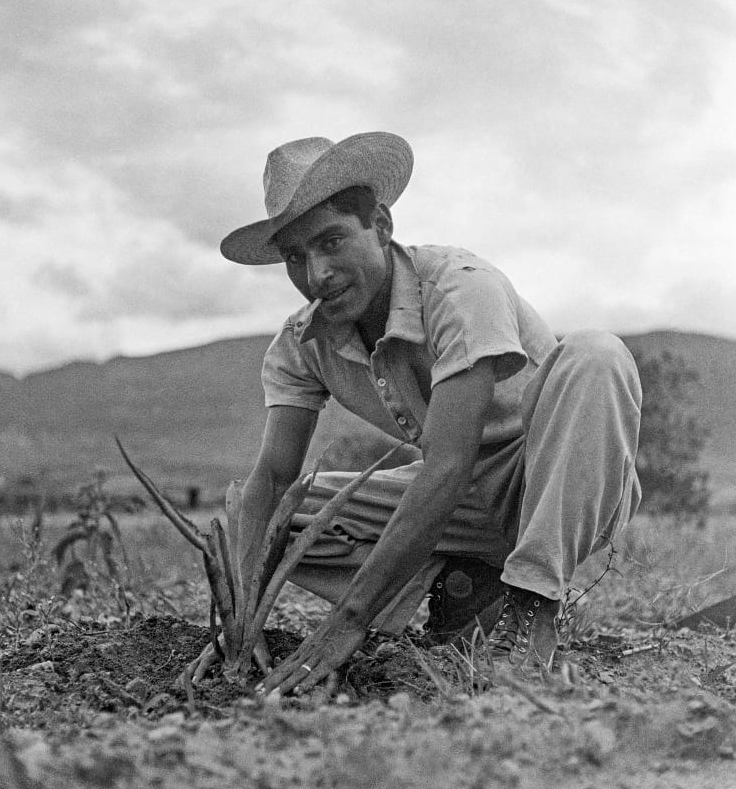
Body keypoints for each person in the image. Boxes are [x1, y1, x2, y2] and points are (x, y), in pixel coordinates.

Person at [219, 132, 642, 695]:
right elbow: (273, 478)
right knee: (263, 518)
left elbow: (447, 463)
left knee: (596, 354)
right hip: (458, 502)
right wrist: (241, 620)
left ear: (382, 226)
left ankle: (532, 605)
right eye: (296, 256)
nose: (316, 273)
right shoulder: (303, 343)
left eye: (332, 241)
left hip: (552, 486)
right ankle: (465, 583)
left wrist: (348, 622)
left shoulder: (462, 289)